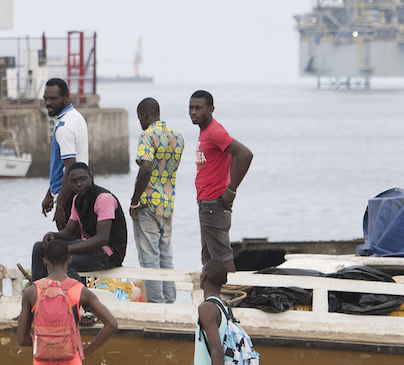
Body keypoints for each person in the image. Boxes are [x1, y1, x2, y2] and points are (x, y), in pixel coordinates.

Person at [129, 98, 185, 303]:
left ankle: (156, 305)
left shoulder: (147, 135)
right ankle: (170, 303)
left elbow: (146, 169)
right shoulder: (177, 137)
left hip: (148, 203)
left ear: (144, 115)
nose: (140, 123)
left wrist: (134, 201)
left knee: (150, 257)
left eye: (139, 119)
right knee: (166, 257)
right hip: (168, 203)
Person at [31, 164, 127, 282]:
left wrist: (67, 249)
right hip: (88, 246)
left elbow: (102, 239)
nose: (79, 184)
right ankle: (39, 293)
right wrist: (53, 235)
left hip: (109, 253)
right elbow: (69, 233)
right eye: (74, 181)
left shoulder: (103, 198)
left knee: (63, 263)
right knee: (39, 248)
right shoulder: (77, 199)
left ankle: (80, 297)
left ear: (91, 177)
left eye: (83, 179)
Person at [190, 90, 254, 265]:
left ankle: (232, 292)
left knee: (222, 258)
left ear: (211, 109)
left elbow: (245, 154)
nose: (194, 112)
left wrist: (231, 189)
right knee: (210, 260)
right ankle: (215, 293)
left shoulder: (214, 132)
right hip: (206, 202)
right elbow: (231, 155)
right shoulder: (205, 132)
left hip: (214, 203)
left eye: (198, 108)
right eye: (191, 108)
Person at [38, 78, 90, 218]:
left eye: (53, 98)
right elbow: (62, 167)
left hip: (70, 196)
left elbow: (70, 169)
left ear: (66, 96)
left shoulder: (64, 128)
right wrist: (50, 194)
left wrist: (61, 206)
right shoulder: (76, 117)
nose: (48, 103)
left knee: (68, 238)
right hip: (81, 191)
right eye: (46, 99)